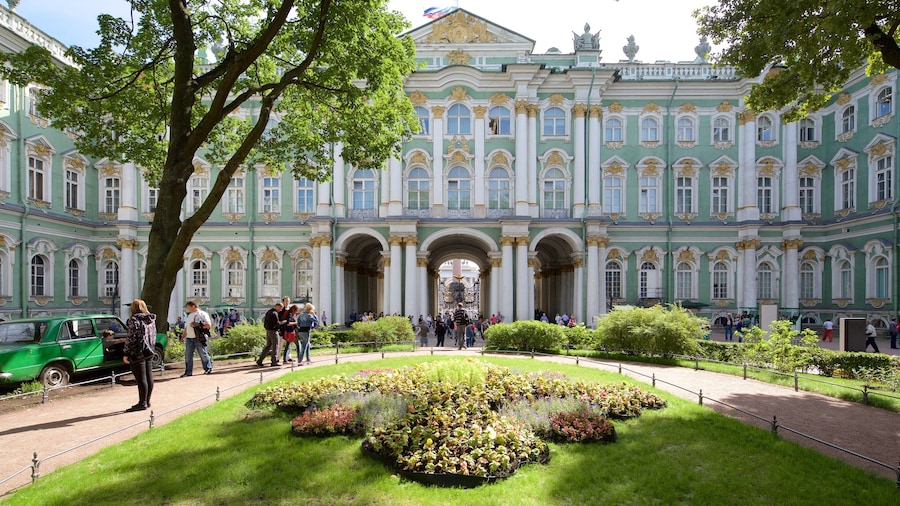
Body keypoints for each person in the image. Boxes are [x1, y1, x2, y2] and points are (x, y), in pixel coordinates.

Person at [122, 299, 156, 412]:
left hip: (137, 351)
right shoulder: (150, 319)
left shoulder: (134, 319)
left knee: (141, 378)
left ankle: (142, 403)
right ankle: (147, 400)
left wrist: (126, 353)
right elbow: (154, 334)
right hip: (149, 349)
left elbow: (131, 337)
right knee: (148, 376)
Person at [182, 301, 213, 376]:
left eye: (188, 307)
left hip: (199, 337)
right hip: (189, 338)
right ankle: (188, 372)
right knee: (188, 355)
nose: (187, 309)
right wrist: (183, 337)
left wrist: (197, 326)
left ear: (193, 306)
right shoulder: (189, 315)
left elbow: (208, 325)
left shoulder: (202, 314)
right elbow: (187, 327)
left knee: (203, 354)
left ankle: (208, 368)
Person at [259, 302, 283, 366]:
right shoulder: (274, 313)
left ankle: (260, 360)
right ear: (277, 306)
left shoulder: (268, 312)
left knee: (268, 346)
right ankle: (274, 361)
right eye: (280, 308)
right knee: (275, 346)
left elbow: (265, 323)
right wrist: (283, 322)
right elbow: (277, 324)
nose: (280, 310)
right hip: (273, 331)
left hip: (268, 331)